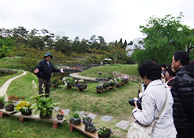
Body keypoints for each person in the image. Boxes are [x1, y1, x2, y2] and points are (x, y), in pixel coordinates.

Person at [131, 60, 177, 138]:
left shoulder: (149, 93)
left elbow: (146, 120)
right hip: (170, 132)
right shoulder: (166, 87)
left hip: (157, 133)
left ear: (145, 76)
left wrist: (135, 111)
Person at [171, 51, 194, 138]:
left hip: (185, 125)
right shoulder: (184, 75)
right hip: (184, 124)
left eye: (173, 60)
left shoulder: (182, 78)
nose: (172, 63)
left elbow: (191, 105)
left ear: (178, 62)